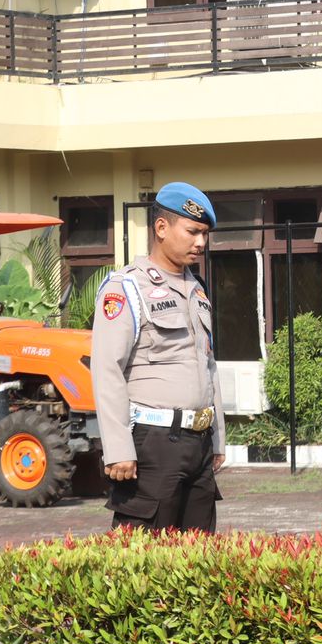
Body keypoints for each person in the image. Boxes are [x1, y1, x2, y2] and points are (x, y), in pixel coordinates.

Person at [92, 182, 225, 533]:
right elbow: (106, 369)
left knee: (199, 554)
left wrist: (217, 438)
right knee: (145, 552)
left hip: (198, 443)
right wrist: (118, 448)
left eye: (205, 234)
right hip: (153, 444)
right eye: (193, 231)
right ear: (162, 228)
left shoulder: (197, 290)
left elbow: (208, 365)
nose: (201, 242)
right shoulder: (126, 288)